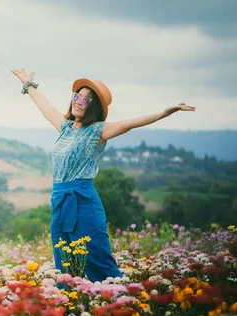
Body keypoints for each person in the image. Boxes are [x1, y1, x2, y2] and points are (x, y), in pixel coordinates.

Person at [11, 69, 196, 282]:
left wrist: (164, 113)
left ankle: (117, 304)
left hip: (83, 203)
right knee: (65, 265)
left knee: (97, 261)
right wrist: (28, 84)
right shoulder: (65, 127)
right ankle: (72, 308)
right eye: (76, 96)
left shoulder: (98, 130)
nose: (79, 102)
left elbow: (131, 123)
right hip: (60, 203)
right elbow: (44, 105)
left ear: (95, 107)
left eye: (86, 100)